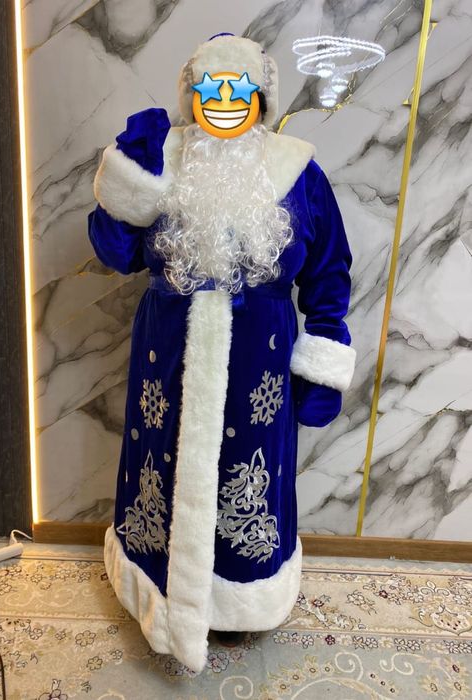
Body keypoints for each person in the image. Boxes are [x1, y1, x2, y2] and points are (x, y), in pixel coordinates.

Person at [88, 33, 356, 674]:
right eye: (212, 87)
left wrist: (324, 354)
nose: (226, 100)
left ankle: (238, 600)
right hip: (167, 352)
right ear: (192, 94)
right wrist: (125, 174)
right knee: (162, 458)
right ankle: (158, 591)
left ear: (262, 98)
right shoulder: (164, 158)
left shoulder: (297, 171)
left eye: (240, 88)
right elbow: (115, 252)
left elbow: (328, 270)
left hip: (260, 356)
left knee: (250, 464)